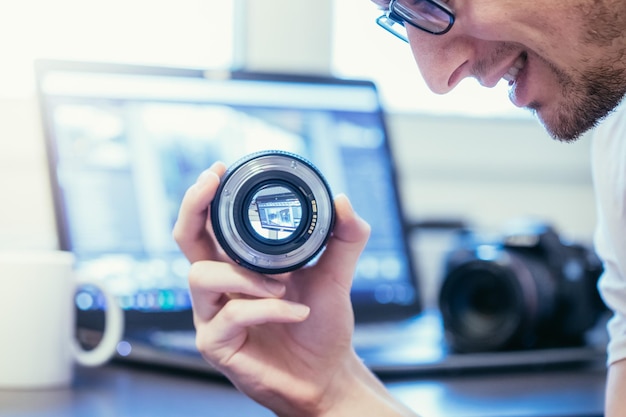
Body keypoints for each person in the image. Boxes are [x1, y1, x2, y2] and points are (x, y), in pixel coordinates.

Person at [173, 0, 626, 415]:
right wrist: (331, 390)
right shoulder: (617, 144)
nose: (438, 77)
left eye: (432, 0)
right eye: (403, 15)